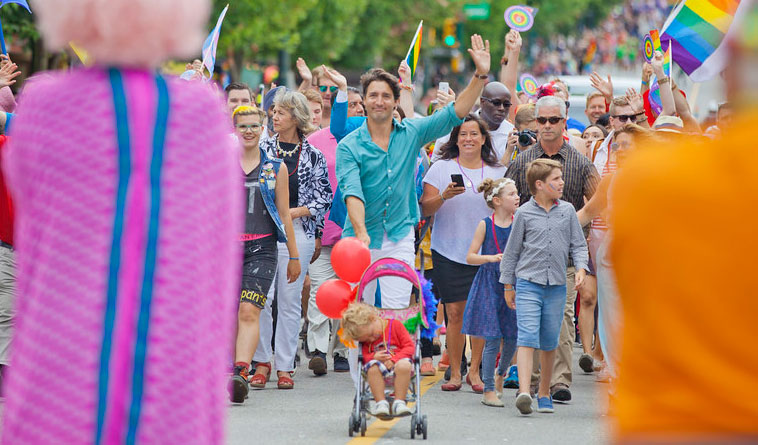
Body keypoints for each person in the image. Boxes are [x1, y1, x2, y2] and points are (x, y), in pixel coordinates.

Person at [0, 0, 241, 442]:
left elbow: (33, 234)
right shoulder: (201, 114)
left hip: (61, 349)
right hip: (170, 353)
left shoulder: (44, 110)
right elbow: (218, 262)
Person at [336, 34, 492, 387]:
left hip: (399, 235)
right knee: (357, 312)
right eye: (372, 95)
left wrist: (480, 77)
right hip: (356, 242)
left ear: (395, 102)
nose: (378, 101)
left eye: (385, 96)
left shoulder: (412, 132)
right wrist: (360, 232)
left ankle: (392, 372)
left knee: (393, 311)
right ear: (364, 101)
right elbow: (352, 191)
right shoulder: (350, 146)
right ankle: (364, 383)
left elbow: (456, 112)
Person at [505, 95, 599, 402]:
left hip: (567, 259)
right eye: (541, 121)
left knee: (560, 324)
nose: (546, 126)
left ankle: (558, 382)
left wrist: (578, 222)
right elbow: (502, 200)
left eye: (553, 121)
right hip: (530, 262)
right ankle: (529, 383)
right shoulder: (522, 162)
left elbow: (600, 199)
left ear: (564, 120)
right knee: (530, 324)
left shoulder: (580, 163)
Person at [420, 115, 507, 393]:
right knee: (455, 313)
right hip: (447, 249)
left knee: (481, 312)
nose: (468, 139)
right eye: (463, 134)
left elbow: (507, 212)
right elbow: (425, 209)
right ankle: (455, 372)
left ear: (484, 139)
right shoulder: (440, 168)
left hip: (485, 252)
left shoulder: (498, 171)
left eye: (474, 134)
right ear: (455, 140)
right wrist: (445, 195)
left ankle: (475, 371)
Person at [254, 89, 332, 390]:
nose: (274, 116)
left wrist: (290, 212)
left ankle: (285, 365)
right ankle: (262, 361)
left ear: (296, 118)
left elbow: (323, 198)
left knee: (288, 302)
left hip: (298, 231)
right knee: (261, 298)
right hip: (262, 229)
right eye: (273, 111)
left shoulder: (313, 155)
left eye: (281, 112)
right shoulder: (262, 149)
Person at [500, 158, 589, 416]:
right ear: (539, 185)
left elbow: (578, 244)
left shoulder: (568, 211)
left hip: (558, 285)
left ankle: (544, 392)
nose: (562, 183)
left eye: (561, 178)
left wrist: (581, 268)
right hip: (529, 283)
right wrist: (508, 285)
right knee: (527, 336)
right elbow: (512, 251)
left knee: (549, 341)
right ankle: (526, 391)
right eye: (556, 180)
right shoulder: (524, 214)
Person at [228, 106, 301, 403]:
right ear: (234, 129)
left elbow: (284, 213)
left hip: (263, 248)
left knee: (249, 310)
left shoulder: (275, 168)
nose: (248, 131)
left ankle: (240, 372)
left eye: (253, 126)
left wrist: (294, 256)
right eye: (242, 126)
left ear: (263, 129)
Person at [304, 68, 356, 376]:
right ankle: (318, 349)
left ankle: (341, 348)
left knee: (348, 292)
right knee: (320, 291)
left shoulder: (359, 139)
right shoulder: (314, 141)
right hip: (322, 229)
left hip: (350, 230)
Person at [461, 178, 520, 407]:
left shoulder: (519, 222)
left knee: (513, 336)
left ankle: (500, 373)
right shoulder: (486, 224)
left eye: (516, 193)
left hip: (513, 284)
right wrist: (490, 258)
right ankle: (488, 389)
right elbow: (470, 256)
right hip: (489, 283)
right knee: (493, 337)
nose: (517, 197)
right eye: (511, 194)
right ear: (497, 201)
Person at [340, 303, 415, 418]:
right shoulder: (366, 337)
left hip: (399, 364)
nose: (371, 339)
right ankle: (381, 403)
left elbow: (409, 347)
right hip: (379, 370)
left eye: (371, 335)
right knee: (372, 367)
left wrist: (395, 359)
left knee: (404, 365)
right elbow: (364, 356)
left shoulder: (395, 325)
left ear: (373, 318)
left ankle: (399, 402)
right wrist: (373, 357)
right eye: (367, 339)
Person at [431, 81, 515, 163]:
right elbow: (435, 162)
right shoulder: (458, 125)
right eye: (496, 103)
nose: (501, 108)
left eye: (506, 104)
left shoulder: (512, 133)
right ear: (482, 102)